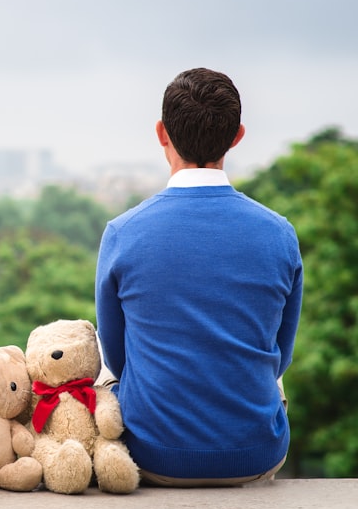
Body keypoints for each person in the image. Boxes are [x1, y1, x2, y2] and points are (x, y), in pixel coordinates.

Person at [95, 67, 303, 487]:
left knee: (104, 372)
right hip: (256, 454)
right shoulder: (279, 233)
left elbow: (117, 357)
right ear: (237, 136)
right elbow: (281, 353)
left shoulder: (123, 232)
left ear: (161, 133)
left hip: (151, 455)